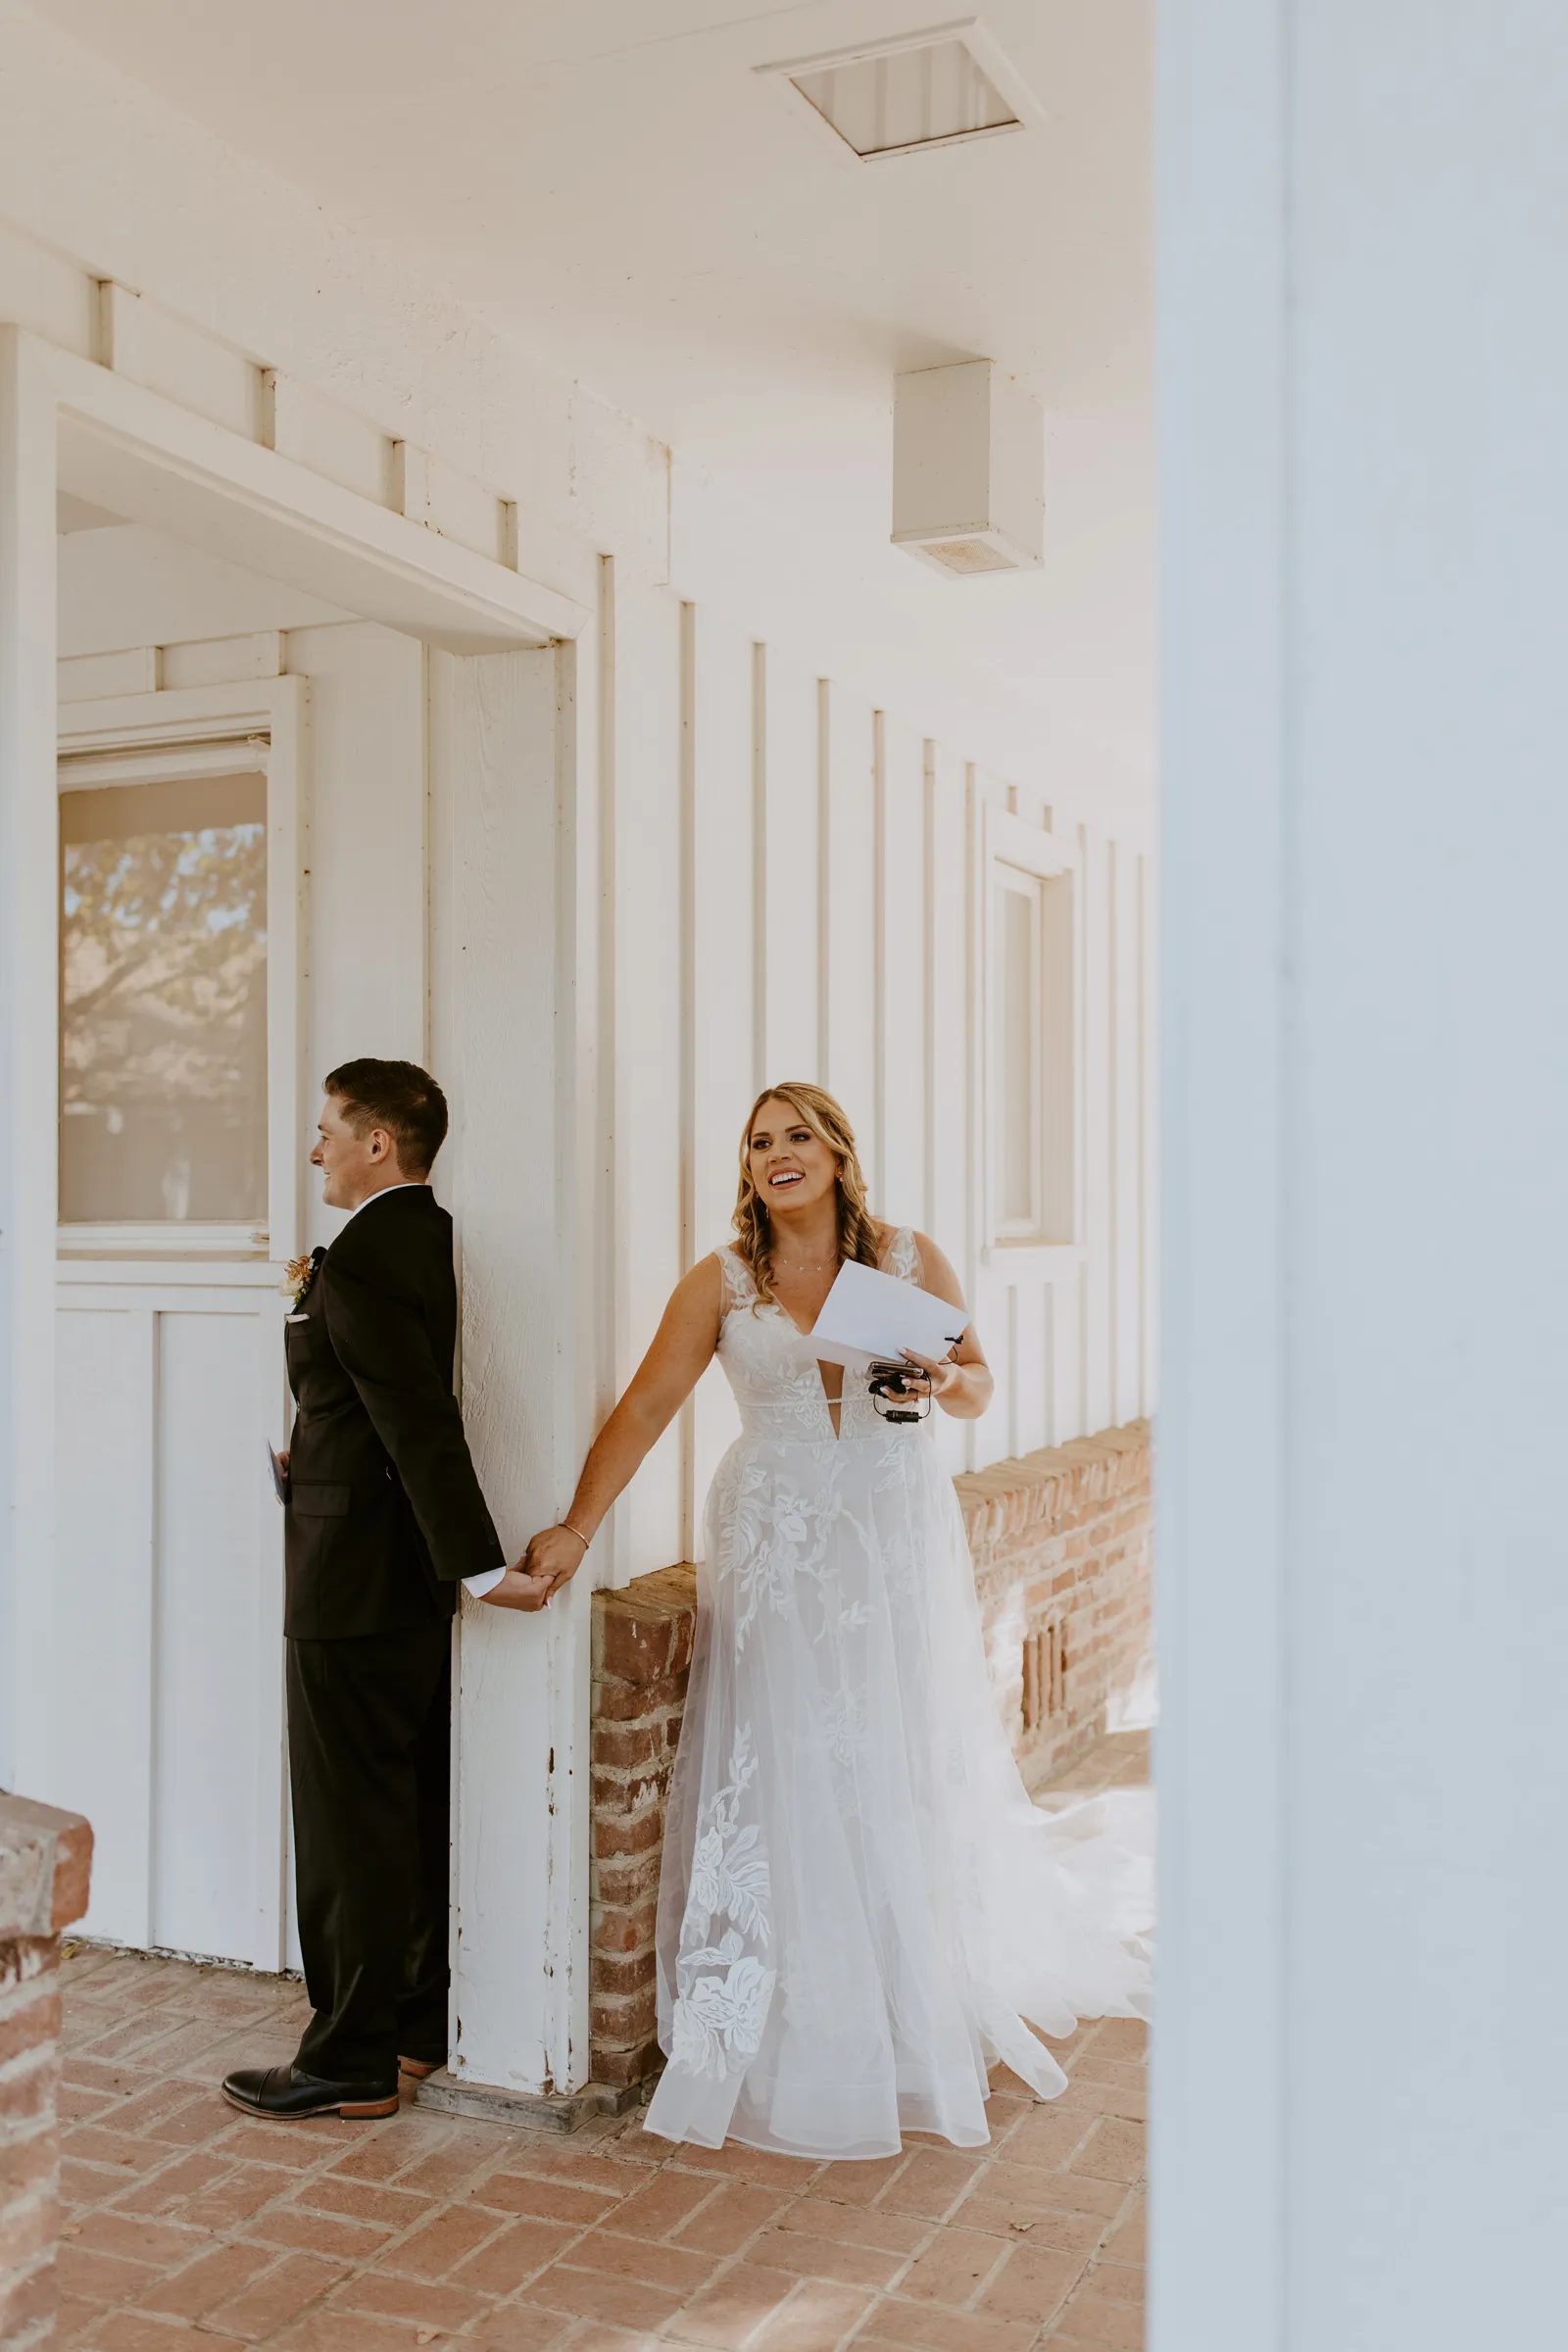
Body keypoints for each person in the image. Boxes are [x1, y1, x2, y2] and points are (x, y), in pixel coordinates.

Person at [522, 1081, 1152, 2159]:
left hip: (888, 1530)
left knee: (892, 1745)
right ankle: (795, 1999)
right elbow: (642, 1407)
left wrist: (946, 1372)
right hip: (773, 1535)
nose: (777, 1153)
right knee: (784, 1753)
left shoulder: (906, 1261)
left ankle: (906, 1986)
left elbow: (976, 1387)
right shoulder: (722, 1281)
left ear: (836, 1153)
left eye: (797, 1135)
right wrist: (578, 1529)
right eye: (760, 1141)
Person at [222, 1058, 542, 2123]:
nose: (313, 1147)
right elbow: (376, 1411)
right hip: (387, 1574)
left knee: (347, 1823)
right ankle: (408, 2028)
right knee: (400, 1812)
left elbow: (416, 1417)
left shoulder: (362, 1256)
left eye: (327, 1130)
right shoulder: (418, 1236)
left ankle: (347, 2059)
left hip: (348, 1585)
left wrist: (484, 1563)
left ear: (377, 1143)